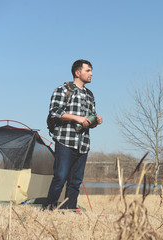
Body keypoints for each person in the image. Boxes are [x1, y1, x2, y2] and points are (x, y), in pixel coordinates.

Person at [43, 59, 103, 210]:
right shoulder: (63, 89)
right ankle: (49, 208)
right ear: (78, 73)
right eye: (88, 70)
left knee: (75, 181)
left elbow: (88, 122)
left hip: (83, 144)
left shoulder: (90, 95)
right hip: (65, 140)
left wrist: (95, 121)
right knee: (60, 177)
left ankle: (69, 210)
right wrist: (77, 118)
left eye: (91, 71)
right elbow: (54, 112)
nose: (91, 74)